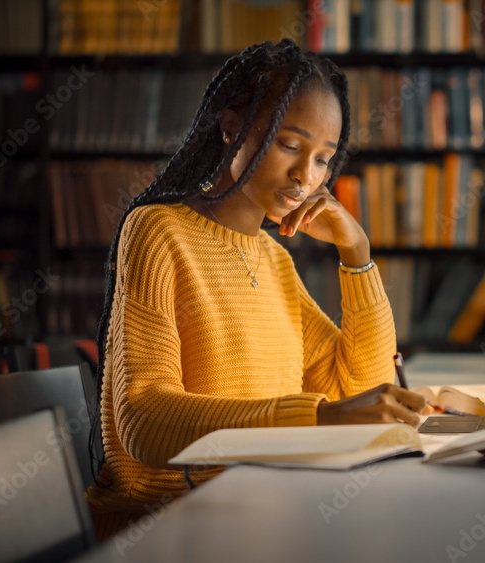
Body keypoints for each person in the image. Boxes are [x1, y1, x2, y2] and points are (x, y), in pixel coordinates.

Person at [85, 39, 429, 540]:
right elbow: (143, 420)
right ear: (231, 130)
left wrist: (357, 253)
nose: (303, 178)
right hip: (165, 528)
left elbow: (359, 390)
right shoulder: (158, 231)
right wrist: (317, 419)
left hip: (261, 514)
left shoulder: (274, 260)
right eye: (290, 145)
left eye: (322, 159)